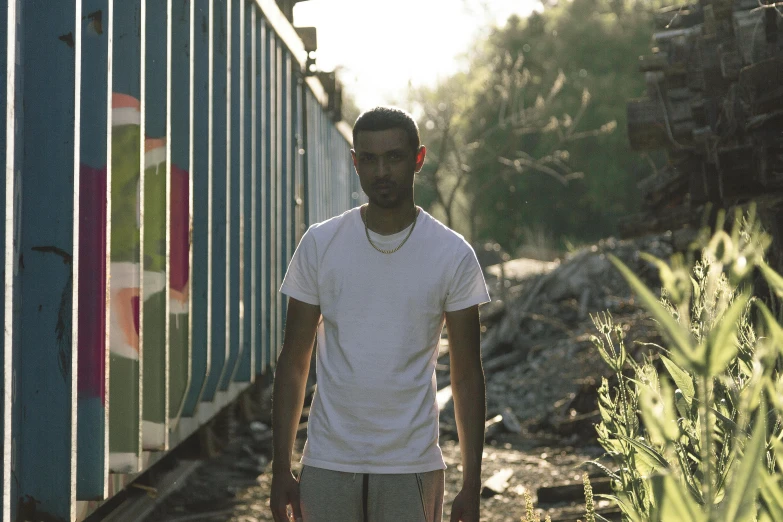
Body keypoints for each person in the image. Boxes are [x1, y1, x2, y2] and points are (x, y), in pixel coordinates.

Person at [270, 106, 490, 522]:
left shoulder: (452, 254)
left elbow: (466, 375)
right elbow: (294, 362)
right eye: (368, 159)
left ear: (418, 159)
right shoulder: (321, 244)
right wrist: (281, 466)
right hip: (329, 463)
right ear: (355, 162)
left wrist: (471, 485)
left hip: (412, 467)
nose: (381, 170)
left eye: (394, 157)